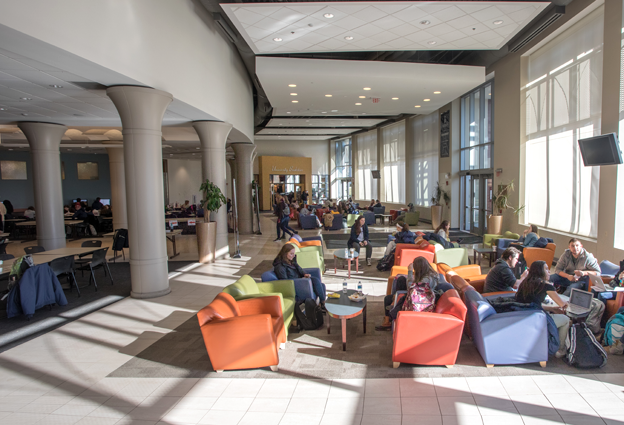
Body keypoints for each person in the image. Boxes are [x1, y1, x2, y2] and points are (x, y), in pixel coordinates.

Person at [376, 257, 453, 331]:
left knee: (388, 299)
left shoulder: (427, 279)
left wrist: (409, 271)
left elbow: (412, 288)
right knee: (401, 280)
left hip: (420, 297)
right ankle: (391, 310)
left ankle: (388, 320)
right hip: (420, 295)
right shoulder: (430, 275)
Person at [516, 260, 570, 358]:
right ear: (539, 271)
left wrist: (551, 309)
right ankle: (560, 350)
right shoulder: (546, 285)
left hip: (524, 316)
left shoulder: (525, 283)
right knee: (565, 320)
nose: (549, 271)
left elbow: (532, 304)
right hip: (535, 320)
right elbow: (562, 304)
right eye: (546, 269)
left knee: (554, 315)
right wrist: (568, 302)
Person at [273, 244, 326, 309]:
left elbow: (299, 269)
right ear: (285, 253)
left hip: (300, 280)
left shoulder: (291, 261)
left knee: (322, 285)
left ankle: (321, 306)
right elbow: (285, 282)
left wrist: (304, 274)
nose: (293, 255)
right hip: (296, 284)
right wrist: (301, 280)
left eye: (294, 253)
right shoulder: (280, 267)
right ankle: (322, 304)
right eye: (291, 254)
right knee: (316, 280)